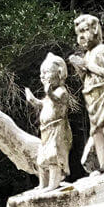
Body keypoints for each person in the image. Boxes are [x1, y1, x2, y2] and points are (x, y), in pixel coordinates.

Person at [68, 14, 104, 176]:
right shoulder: (87, 55)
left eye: (85, 30)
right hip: (92, 96)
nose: (81, 36)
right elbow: (85, 77)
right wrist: (79, 66)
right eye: (79, 32)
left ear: (94, 30)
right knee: (96, 132)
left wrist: (87, 65)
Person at [24, 54, 73, 190]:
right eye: (41, 73)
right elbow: (42, 104)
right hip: (46, 130)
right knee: (41, 159)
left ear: (59, 73)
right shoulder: (50, 95)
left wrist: (49, 92)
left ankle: (53, 184)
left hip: (57, 129)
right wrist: (32, 99)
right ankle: (43, 184)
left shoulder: (62, 91)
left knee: (54, 158)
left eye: (46, 72)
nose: (42, 76)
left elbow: (56, 100)